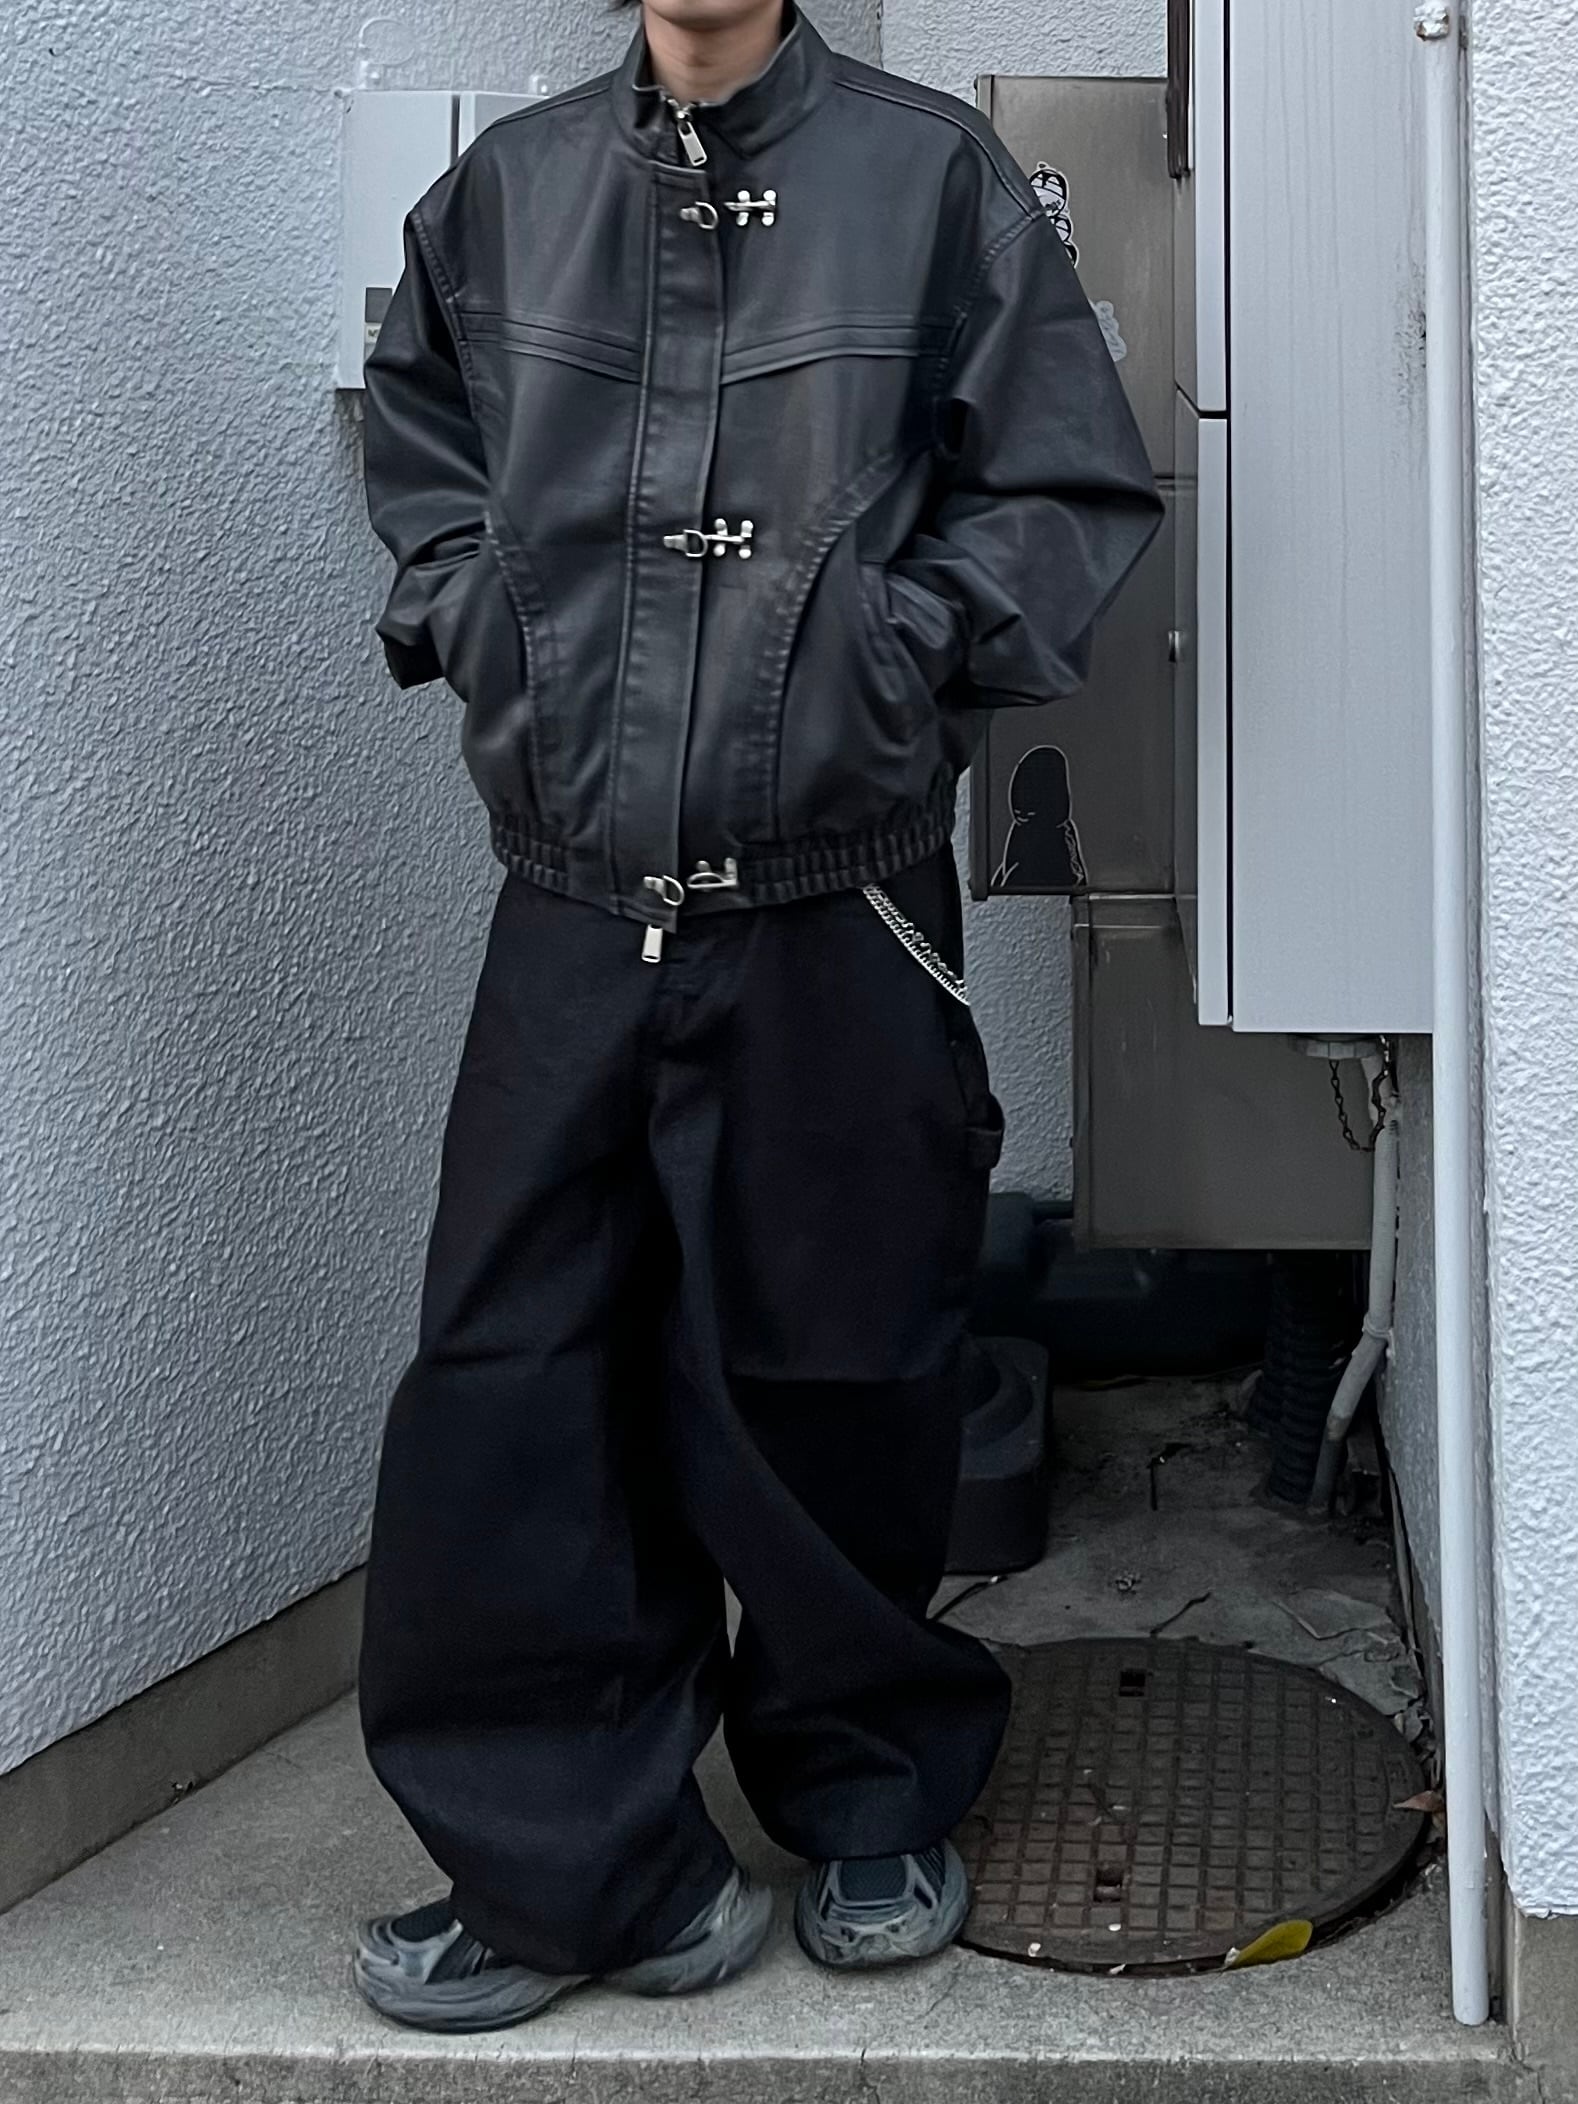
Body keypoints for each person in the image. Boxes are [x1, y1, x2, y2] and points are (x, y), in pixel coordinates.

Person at [352, 0, 1160, 2034]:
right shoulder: (509, 195)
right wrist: (480, 618)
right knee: (516, 1381)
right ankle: (576, 1865)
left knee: (838, 1360)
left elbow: (1060, 488)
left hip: (837, 895)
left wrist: (884, 659)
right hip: (569, 892)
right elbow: (422, 448)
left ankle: (868, 1785)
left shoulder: (929, 177)